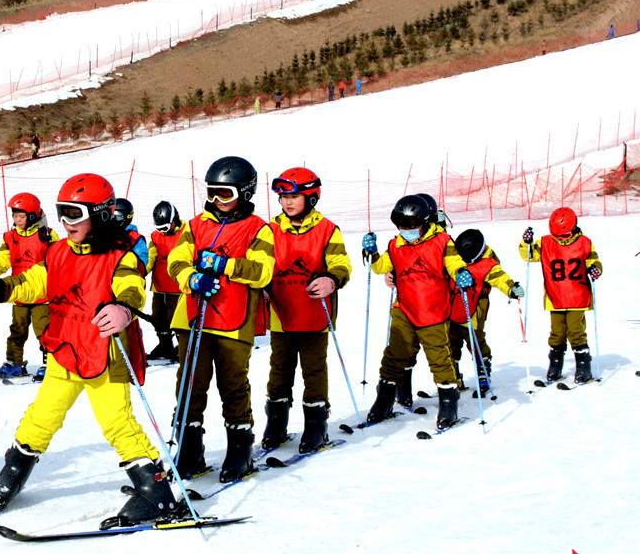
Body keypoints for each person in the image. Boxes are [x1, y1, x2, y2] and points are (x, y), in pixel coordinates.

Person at [0, 172, 179, 526]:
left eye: (74, 213)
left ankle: (155, 491)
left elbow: (132, 284)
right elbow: (34, 281)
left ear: (99, 214)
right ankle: (15, 469)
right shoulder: (57, 251)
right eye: (61, 213)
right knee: (41, 417)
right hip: (65, 350)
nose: (66, 222)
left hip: (105, 353)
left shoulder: (120, 255)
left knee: (118, 424)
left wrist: (124, 308)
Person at [164, 156, 276, 482]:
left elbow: (263, 271)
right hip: (193, 319)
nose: (215, 201)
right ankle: (188, 451)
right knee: (189, 385)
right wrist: (192, 277)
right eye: (212, 193)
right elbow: (176, 260)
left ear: (245, 193)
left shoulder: (259, 230)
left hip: (233, 320)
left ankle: (240, 451)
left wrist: (226, 266)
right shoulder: (195, 225)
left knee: (233, 386)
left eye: (224, 194)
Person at [262, 167, 351, 453]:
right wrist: (259, 284)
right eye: (283, 197)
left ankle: (316, 425)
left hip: (314, 317)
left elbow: (341, 264)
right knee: (279, 371)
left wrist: (331, 279)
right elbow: (258, 263)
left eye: (294, 196)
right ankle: (276, 423)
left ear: (311, 197)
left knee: (314, 371)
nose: (287, 202)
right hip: (281, 315)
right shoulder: (270, 229)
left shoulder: (326, 229)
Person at [362, 195, 465, 430]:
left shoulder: (441, 241)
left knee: (439, 357)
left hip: (433, 310)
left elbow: (454, 263)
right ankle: (384, 399)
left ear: (424, 222)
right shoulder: (395, 244)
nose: (405, 230)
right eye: (401, 226)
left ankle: (449, 401)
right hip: (404, 308)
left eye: (411, 226)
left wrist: (461, 273)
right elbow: (381, 268)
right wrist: (373, 252)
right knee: (395, 353)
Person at [519, 207, 604, 385]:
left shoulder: (584, 242)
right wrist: (526, 243)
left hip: (577, 296)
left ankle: (583, 367)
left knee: (576, 332)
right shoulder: (546, 243)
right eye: (558, 235)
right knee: (556, 334)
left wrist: (595, 269)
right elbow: (529, 256)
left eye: (564, 236)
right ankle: (555, 366)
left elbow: (593, 260)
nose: (561, 239)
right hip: (555, 296)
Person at [0, 192, 53, 379]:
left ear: (32, 216)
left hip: (42, 294)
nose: (17, 219)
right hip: (19, 293)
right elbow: (2, 261)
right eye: (15, 216)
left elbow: (59, 259)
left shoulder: (47, 235)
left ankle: (50, 363)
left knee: (44, 329)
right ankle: (15, 362)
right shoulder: (10, 237)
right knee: (17, 329)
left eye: (21, 216)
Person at [447, 228, 523, 395]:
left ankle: (483, 375)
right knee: (450, 346)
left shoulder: (487, 265)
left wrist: (511, 288)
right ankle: (453, 377)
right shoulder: (453, 259)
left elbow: (500, 278)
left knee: (476, 344)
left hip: (473, 314)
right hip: (451, 312)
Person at [145, 200, 187, 362]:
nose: (163, 232)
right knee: (158, 318)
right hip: (159, 287)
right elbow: (150, 258)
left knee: (176, 319)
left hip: (178, 288)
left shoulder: (186, 233)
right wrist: (140, 272)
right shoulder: (156, 237)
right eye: (159, 228)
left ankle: (182, 347)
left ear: (174, 220)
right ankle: (165, 345)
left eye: (165, 228)